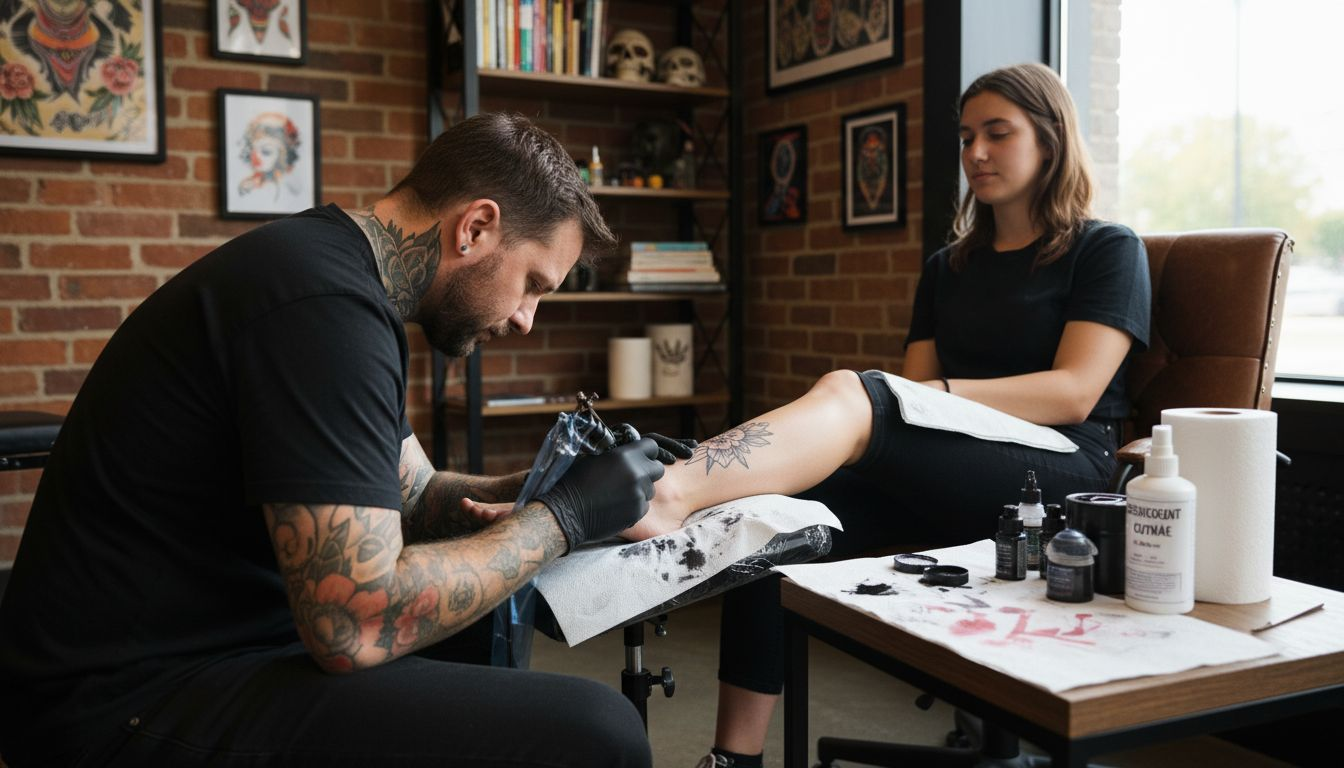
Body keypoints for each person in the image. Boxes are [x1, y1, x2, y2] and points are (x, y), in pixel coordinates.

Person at [472, 62, 1147, 767]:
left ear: (1052, 139)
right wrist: (915, 399)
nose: (975, 152)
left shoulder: (1106, 249)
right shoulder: (949, 266)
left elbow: (1074, 390)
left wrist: (930, 395)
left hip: (1063, 480)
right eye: (967, 135)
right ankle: (734, 757)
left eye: (997, 134)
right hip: (956, 470)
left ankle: (661, 492)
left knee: (858, 392)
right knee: (775, 514)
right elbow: (912, 405)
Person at [0, 112, 671, 768]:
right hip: (119, 704)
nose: (526, 318)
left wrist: (548, 487)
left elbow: (418, 496)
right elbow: (354, 624)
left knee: (482, 621)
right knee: (598, 731)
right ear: (476, 227)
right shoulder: (322, 309)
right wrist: (565, 519)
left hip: (215, 643)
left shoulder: (335, 278)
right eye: (532, 284)